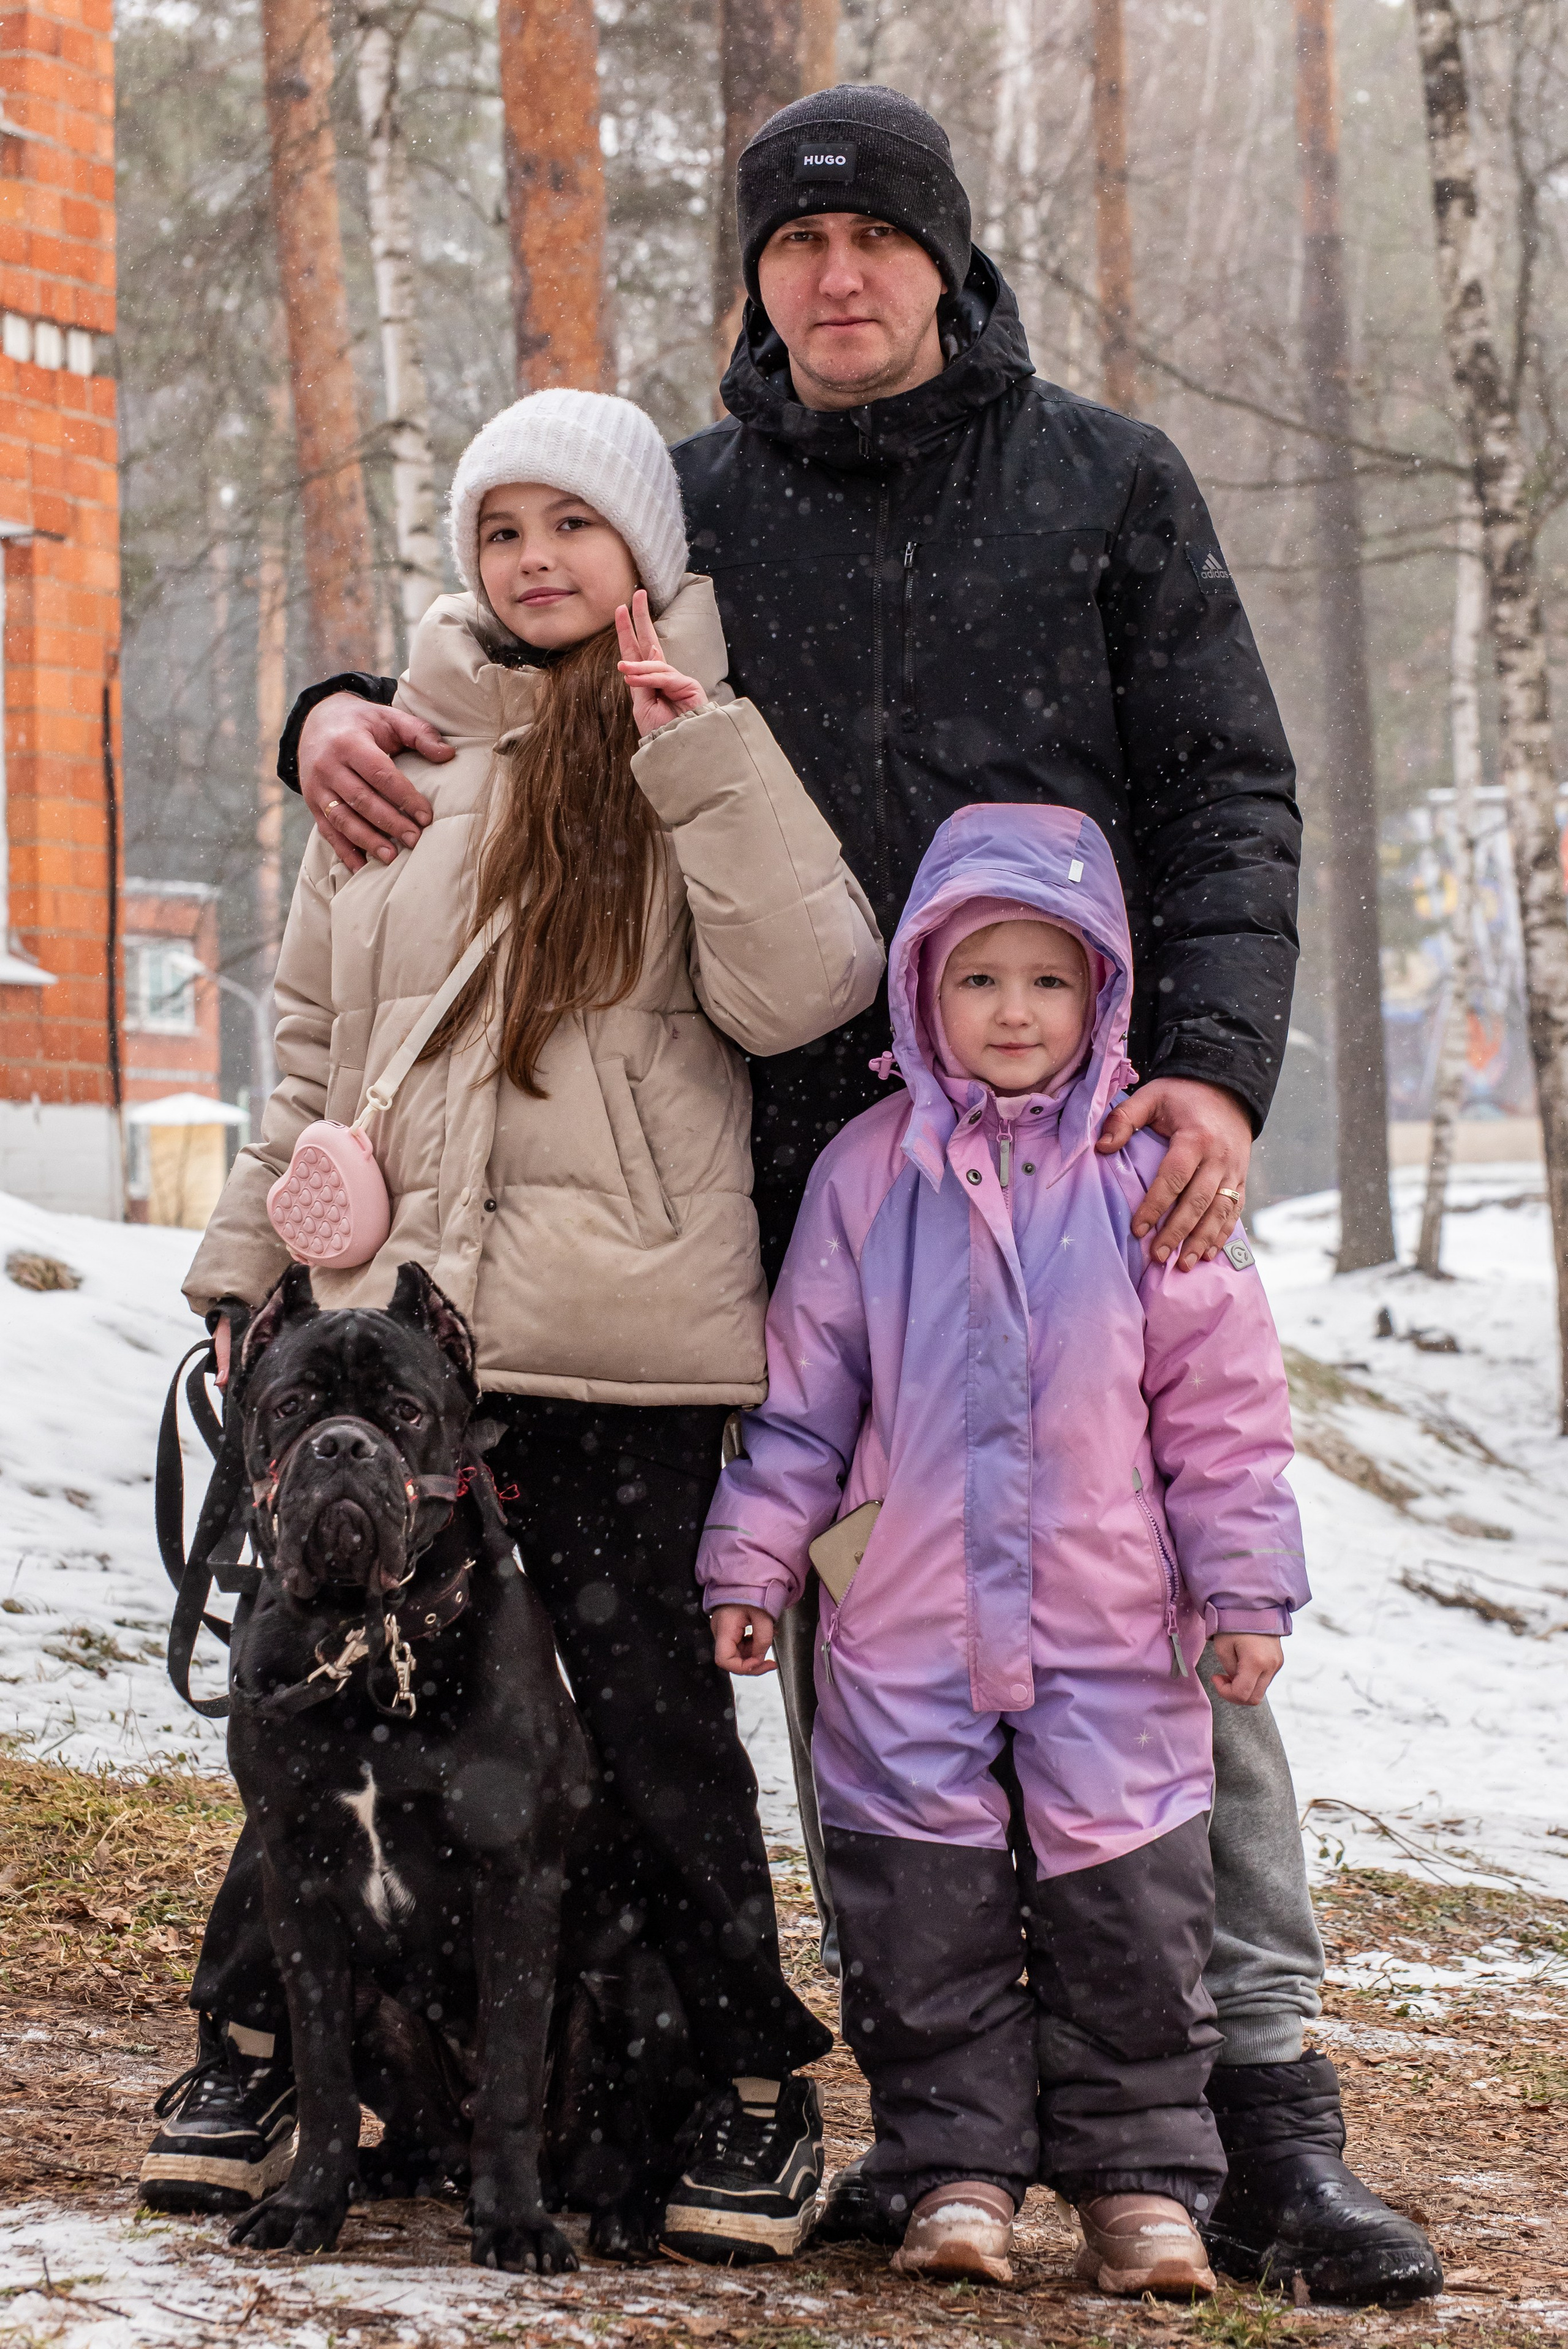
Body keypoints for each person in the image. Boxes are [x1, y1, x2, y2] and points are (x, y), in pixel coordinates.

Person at [266, 86, 1442, 2305]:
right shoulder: (691, 508)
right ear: (755, 281)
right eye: (795, 246)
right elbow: (497, 651)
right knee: (854, 1664)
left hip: (1090, 1162)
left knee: (1171, 1623)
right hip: (799, 1183)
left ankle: (1258, 2114)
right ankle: (948, 2118)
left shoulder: (1105, 484)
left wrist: (1204, 1071)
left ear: (947, 254)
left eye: (877, 239)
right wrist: (335, 699)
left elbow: (1229, 792)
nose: (837, 278)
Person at [140, 388, 886, 2267]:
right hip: (397, 1341)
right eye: (501, 530)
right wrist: (244, 1271)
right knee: (326, 1688)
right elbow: (311, 1054)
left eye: (575, 524)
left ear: (644, 549)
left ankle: (737, 2075)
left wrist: (696, 759)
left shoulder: (700, 742)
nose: (536, 559)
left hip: (616, 1337)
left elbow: (813, 989)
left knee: (643, 1722)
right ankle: (260, 2051)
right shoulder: (385, 763)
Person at [696, 801, 1308, 2294]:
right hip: (903, 1624)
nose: (1012, 1011)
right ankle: (952, 2170)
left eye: (1046, 979)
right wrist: (751, 1560)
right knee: (922, 1912)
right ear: (921, 991)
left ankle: (1139, 2184)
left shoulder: (1145, 1178)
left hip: (1108, 1622)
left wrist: (1241, 1584)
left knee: (1131, 1914)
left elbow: (1221, 1418)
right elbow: (801, 1402)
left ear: (1101, 993)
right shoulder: (865, 1172)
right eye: (977, 979)